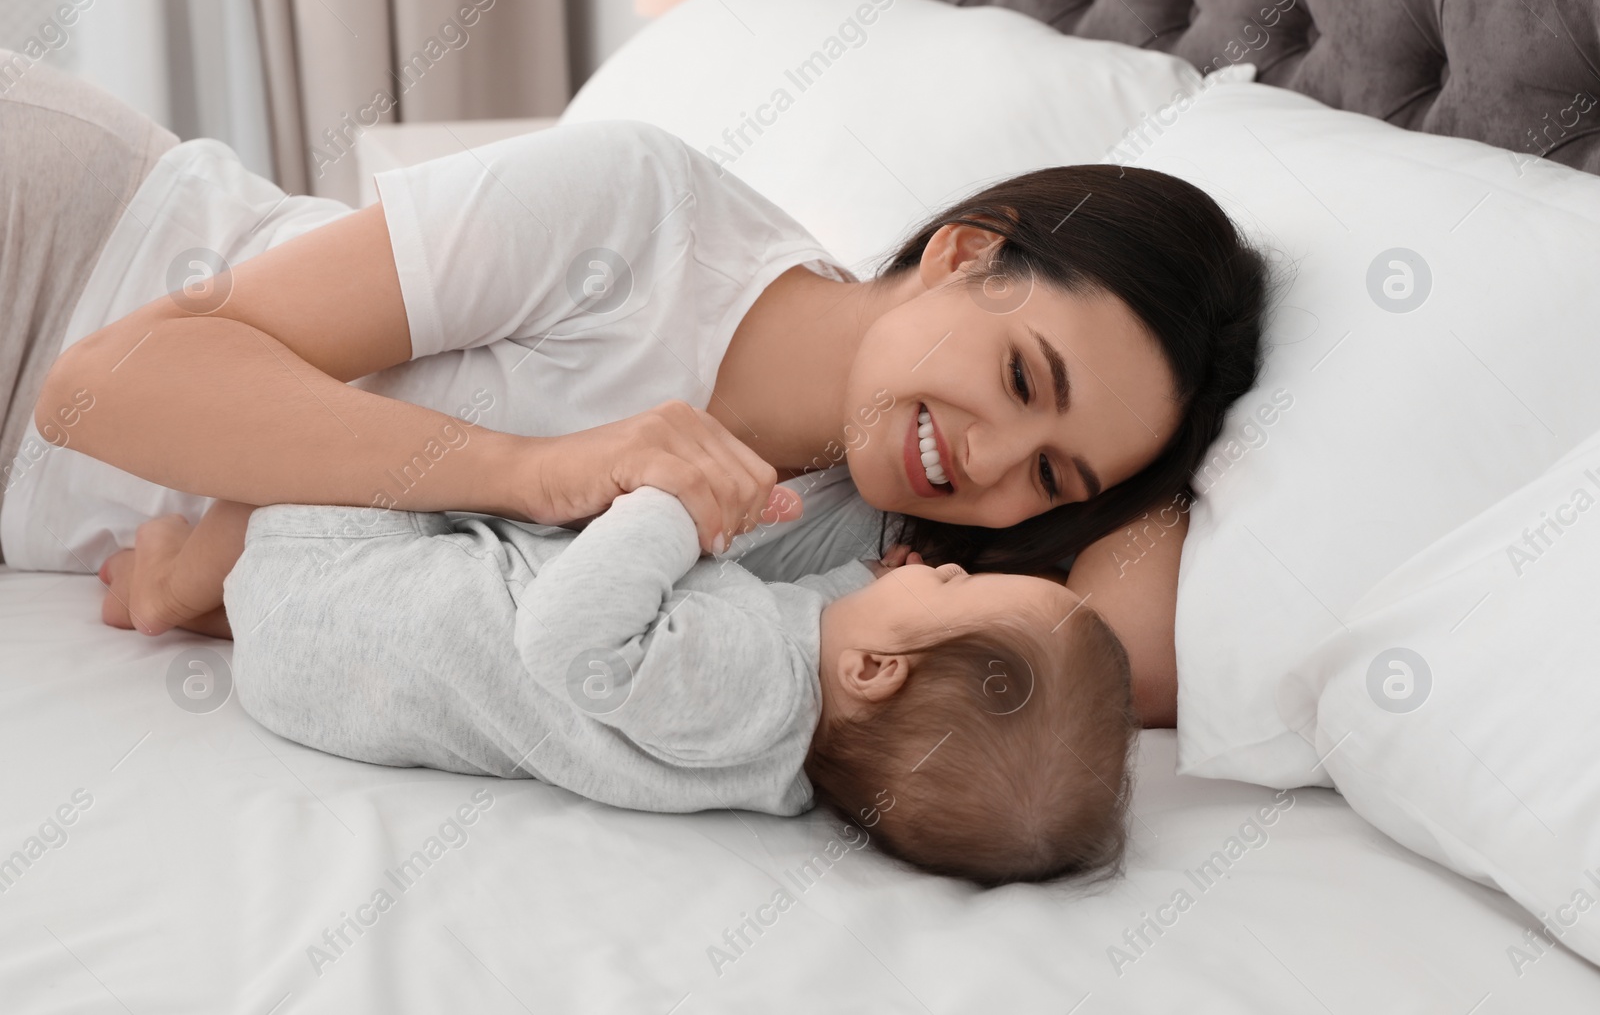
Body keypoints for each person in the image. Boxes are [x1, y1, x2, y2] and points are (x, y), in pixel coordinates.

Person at [5, 54, 1272, 726]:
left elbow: (1126, 663)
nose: (988, 459)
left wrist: (1162, 461)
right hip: (66, 240)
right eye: (1018, 375)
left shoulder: (847, 556)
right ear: (961, 250)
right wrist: (530, 470)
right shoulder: (638, 207)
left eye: (1053, 474)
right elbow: (107, 382)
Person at [124, 484, 1137, 888]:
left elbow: (567, 632)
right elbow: (788, 623)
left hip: (337, 582)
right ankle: (212, 591)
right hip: (317, 664)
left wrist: (670, 509)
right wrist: (862, 583)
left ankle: (162, 573)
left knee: (377, 424)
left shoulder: (742, 684)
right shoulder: (781, 753)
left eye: (951, 583)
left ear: (875, 668)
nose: (940, 565)